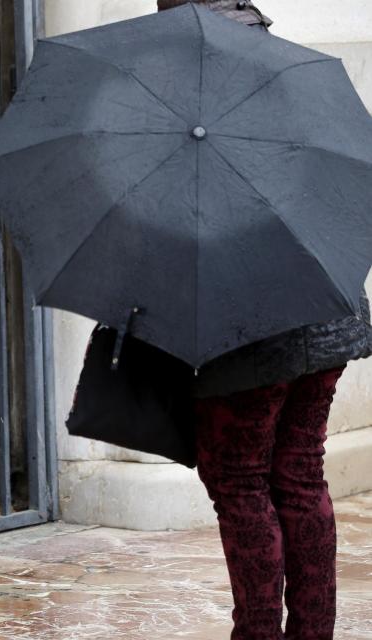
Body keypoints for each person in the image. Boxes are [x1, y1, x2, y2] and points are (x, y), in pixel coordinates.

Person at [153, 2, 372, 639]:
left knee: (242, 481)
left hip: (249, 318)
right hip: (327, 302)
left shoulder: (188, 98)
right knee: (300, 472)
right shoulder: (299, 74)